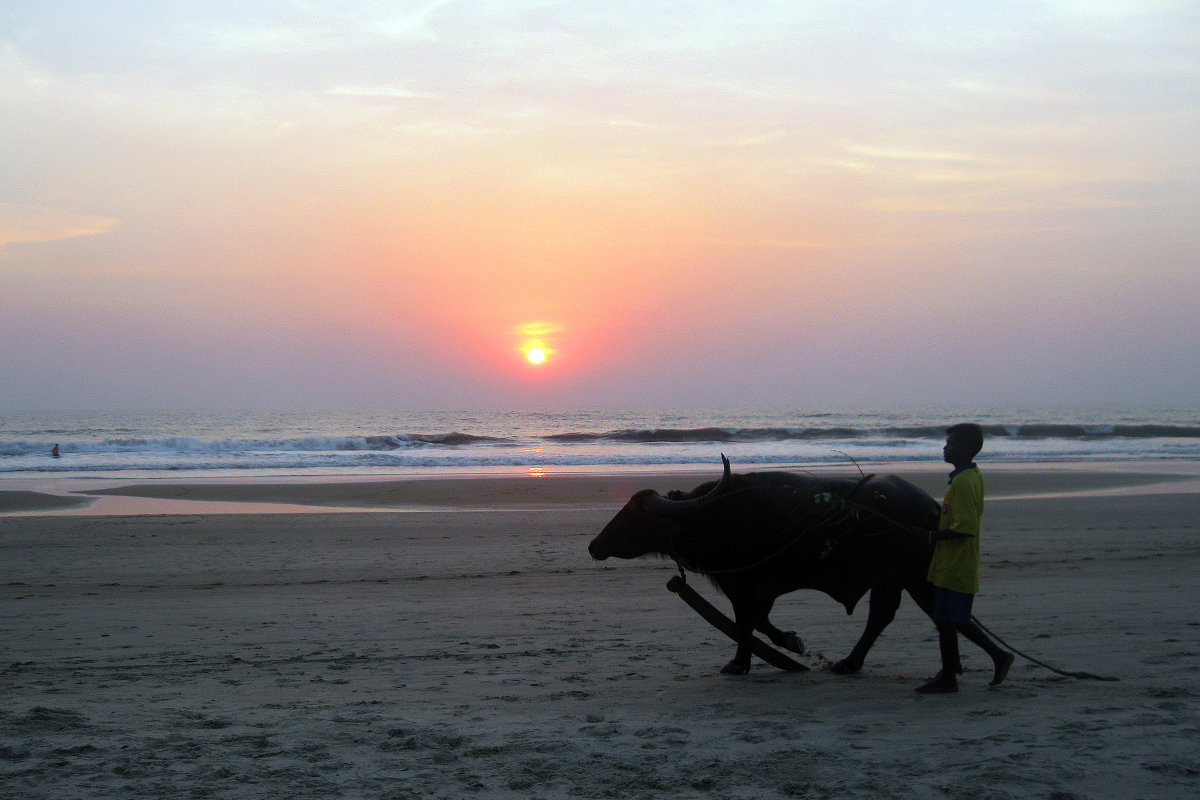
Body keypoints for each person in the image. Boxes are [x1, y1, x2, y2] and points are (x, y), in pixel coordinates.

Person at [917, 423, 1015, 694]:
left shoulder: (963, 482)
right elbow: (959, 517)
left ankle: (994, 657)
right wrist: (937, 521)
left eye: (951, 444)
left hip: (956, 563)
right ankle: (950, 673)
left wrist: (928, 537)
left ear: (968, 449)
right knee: (947, 620)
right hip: (951, 562)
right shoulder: (967, 476)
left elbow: (966, 529)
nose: (945, 448)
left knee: (954, 620)